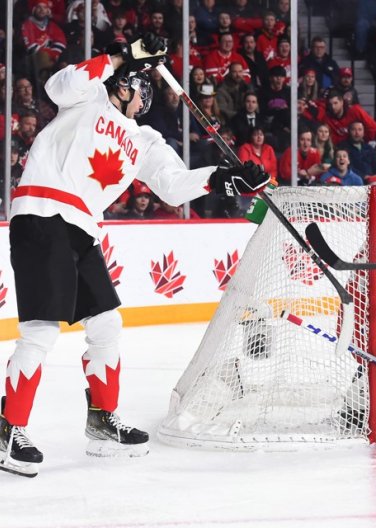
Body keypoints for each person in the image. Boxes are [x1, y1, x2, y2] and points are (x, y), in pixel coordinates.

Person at [0, 34, 269, 477]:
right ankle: (10, 429)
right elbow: (57, 86)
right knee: (40, 331)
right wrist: (120, 57)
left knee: (107, 324)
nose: (136, 88)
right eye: (132, 80)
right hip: (43, 212)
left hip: (82, 226)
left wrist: (225, 177)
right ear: (120, 84)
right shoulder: (87, 99)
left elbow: (172, 184)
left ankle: (102, 423)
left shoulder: (145, 139)